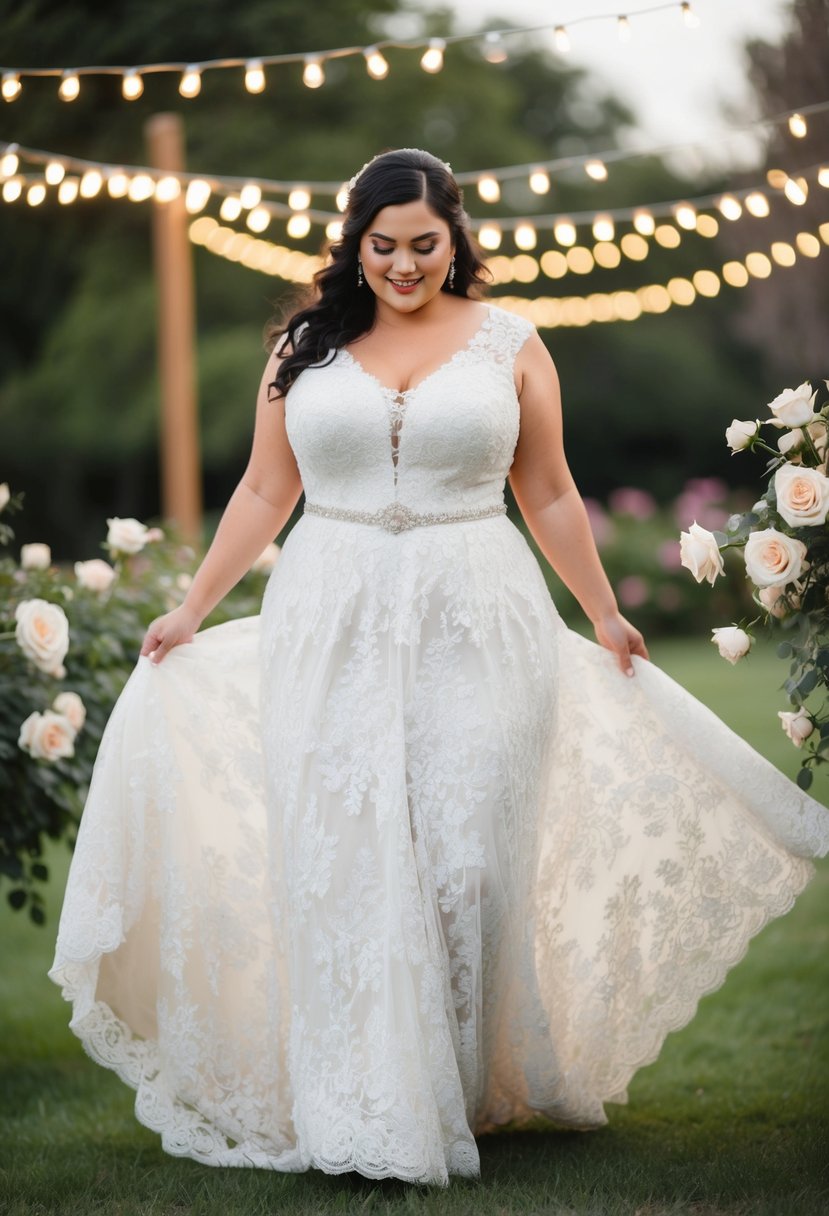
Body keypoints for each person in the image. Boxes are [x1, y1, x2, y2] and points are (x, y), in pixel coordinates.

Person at [49, 148, 829, 1188]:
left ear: (457, 238)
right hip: (328, 617)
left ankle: (454, 1090)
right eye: (384, 246)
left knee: (470, 862)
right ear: (354, 243)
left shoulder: (510, 342)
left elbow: (548, 491)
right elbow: (259, 489)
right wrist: (191, 605)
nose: (405, 265)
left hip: (479, 611)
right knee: (348, 855)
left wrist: (602, 610)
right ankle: (357, 1100)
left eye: (426, 244)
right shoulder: (302, 346)